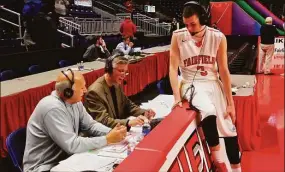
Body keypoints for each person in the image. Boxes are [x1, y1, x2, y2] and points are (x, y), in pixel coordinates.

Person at [169, 2, 241, 172]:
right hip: (190, 83)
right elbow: (172, 68)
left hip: (213, 82)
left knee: (229, 129)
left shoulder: (218, 37)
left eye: (192, 24)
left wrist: (230, 102)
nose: (189, 28)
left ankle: (237, 168)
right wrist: (176, 97)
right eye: (186, 24)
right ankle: (218, 161)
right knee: (208, 111)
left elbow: (223, 70)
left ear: (203, 19)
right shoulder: (178, 36)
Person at [23, 69, 127, 172]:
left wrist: (112, 132)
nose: (85, 90)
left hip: (65, 161)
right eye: (82, 87)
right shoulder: (52, 108)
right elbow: (72, 145)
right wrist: (107, 139)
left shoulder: (75, 102)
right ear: (68, 92)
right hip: (44, 167)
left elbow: (90, 125)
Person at [84, 54, 155, 130]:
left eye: (125, 72)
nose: (124, 75)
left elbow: (127, 104)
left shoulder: (115, 83)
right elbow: (102, 120)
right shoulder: (94, 92)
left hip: (118, 131)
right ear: (109, 69)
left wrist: (143, 112)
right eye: (121, 71)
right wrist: (128, 123)